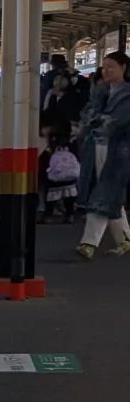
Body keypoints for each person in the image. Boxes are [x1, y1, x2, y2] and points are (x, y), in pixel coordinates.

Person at [75, 48, 130, 257]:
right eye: (104, 67)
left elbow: (115, 122)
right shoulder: (100, 91)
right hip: (97, 146)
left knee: (104, 191)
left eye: (111, 67)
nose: (106, 71)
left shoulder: (127, 94)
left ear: (123, 67)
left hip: (120, 150)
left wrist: (94, 121)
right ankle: (124, 238)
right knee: (109, 193)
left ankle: (89, 243)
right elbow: (87, 114)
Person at [41, 131, 80, 222]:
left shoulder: (51, 149)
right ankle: (70, 216)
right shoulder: (72, 148)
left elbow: (46, 163)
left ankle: (47, 217)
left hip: (55, 180)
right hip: (70, 179)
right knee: (69, 199)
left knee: (51, 199)